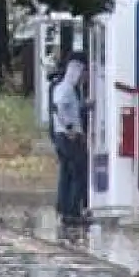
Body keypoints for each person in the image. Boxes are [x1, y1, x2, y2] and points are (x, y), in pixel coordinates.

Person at [52, 54, 90, 226]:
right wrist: (69, 128)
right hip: (68, 137)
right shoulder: (65, 89)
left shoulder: (68, 89)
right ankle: (73, 211)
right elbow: (59, 108)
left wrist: (86, 106)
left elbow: (71, 108)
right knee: (76, 174)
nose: (84, 77)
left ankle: (65, 208)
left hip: (64, 137)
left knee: (67, 173)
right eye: (83, 73)